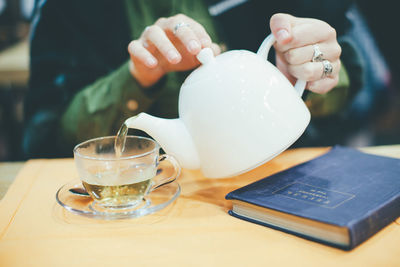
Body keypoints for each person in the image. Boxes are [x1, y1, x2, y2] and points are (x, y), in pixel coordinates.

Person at [23, 0, 361, 158]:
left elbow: (351, 80)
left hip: (283, 177)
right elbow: (45, 136)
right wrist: (137, 77)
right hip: (154, 197)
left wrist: (315, 71)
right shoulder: (67, 9)